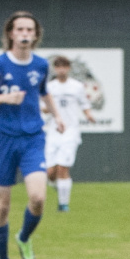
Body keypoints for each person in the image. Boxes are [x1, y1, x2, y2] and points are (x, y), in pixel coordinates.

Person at [0, 11, 64, 259]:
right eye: (20, 29)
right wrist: (5, 99)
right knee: (2, 205)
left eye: (29, 30)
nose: (24, 34)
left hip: (33, 138)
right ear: (10, 33)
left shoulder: (41, 65)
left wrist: (57, 116)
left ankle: (24, 237)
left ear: (35, 35)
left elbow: (44, 91)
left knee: (38, 198)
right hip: (4, 139)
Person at [44, 56, 96, 212]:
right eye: (58, 67)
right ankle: (59, 187)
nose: (61, 70)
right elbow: (43, 107)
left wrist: (88, 115)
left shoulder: (77, 86)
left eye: (64, 66)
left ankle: (63, 204)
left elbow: (84, 104)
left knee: (63, 168)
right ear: (54, 69)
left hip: (70, 131)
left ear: (69, 68)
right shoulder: (49, 87)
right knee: (50, 172)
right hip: (53, 132)